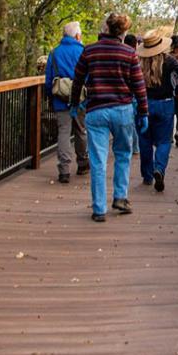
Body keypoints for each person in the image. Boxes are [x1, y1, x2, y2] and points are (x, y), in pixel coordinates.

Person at [69, 13, 148, 222]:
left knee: (98, 160)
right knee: (122, 154)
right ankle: (120, 198)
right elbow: (139, 86)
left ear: (106, 28)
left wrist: (74, 103)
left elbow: (77, 79)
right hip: (122, 110)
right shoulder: (129, 53)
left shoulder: (90, 50)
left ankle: (99, 208)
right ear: (123, 32)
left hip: (96, 111)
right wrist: (144, 111)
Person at [136, 30, 178, 192]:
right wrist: (176, 89)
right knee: (164, 141)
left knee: (144, 140)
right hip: (165, 104)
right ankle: (159, 168)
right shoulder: (169, 60)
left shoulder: (139, 62)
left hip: (144, 104)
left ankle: (147, 175)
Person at [44, 22, 88, 183]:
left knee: (63, 132)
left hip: (60, 99)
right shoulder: (83, 51)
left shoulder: (54, 53)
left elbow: (49, 80)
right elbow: (89, 76)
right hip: (80, 100)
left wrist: (51, 96)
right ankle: (83, 163)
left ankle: (64, 170)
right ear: (77, 35)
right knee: (81, 131)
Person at [123, 33, 141, 155]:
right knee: (135, 122)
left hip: (125, 94)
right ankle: (135, 147)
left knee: (128, 122)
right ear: (135, 44)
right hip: (135, 94)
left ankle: (129, 145)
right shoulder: (137, 56)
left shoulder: (121, 54)